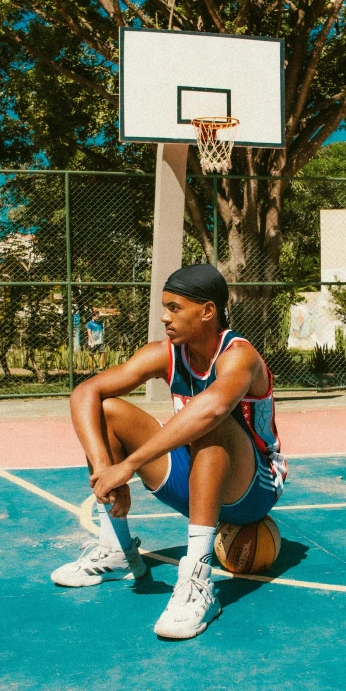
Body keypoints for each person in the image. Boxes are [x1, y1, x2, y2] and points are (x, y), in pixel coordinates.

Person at [51, 264, 287, 639]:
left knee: (211, 418)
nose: (164, 316)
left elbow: (210, 410)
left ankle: (197, 582)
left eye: (174, 307)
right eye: (164, 306)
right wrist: (105, 471)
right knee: (108, 411)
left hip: (252, 489)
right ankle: (116, 549)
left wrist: (128, 465)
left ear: (207, 311)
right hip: (195, 477)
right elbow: (85, 393)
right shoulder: (165, 353)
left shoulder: (240, 356)